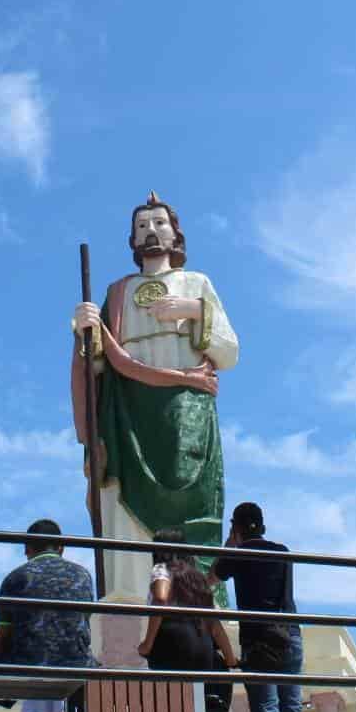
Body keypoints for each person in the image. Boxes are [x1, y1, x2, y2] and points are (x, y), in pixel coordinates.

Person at [70, 192, 240, 602]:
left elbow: (228, 353)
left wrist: (196, 310)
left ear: (175, 233)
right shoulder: (117, 292)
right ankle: (127, 596)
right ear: (131, 239)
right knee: (121, 499)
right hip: (128, 411)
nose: (151, 231)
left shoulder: (197, 284)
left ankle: (197, 600)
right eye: (142, 226)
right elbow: (96, 364)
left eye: (159, 223)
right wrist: (85, 332)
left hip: (186, 410)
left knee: (191, 506)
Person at [0, 519, 96, 712]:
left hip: (29, 663)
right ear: (61, 547)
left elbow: (2, 635)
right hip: (77, 662)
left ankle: (2, 704)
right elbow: (84, 621)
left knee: (8, 646)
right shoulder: (83, 575)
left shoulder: (15, 577)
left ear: (27, 548)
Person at [211, 502, 305, 712]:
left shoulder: (237, 556)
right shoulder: (283, 552)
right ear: (262, 527)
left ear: (236, 529)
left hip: (258, 641)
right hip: (289, 635)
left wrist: (228, 548)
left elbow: (209, 581)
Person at [139, 527, 238, 712]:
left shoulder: (161, 568)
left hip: (173, 646)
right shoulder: (197, 578)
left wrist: (147, 644)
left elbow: (160, 598)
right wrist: (230, 658)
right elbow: (214, 625)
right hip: (202, 649)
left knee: (169, 705)